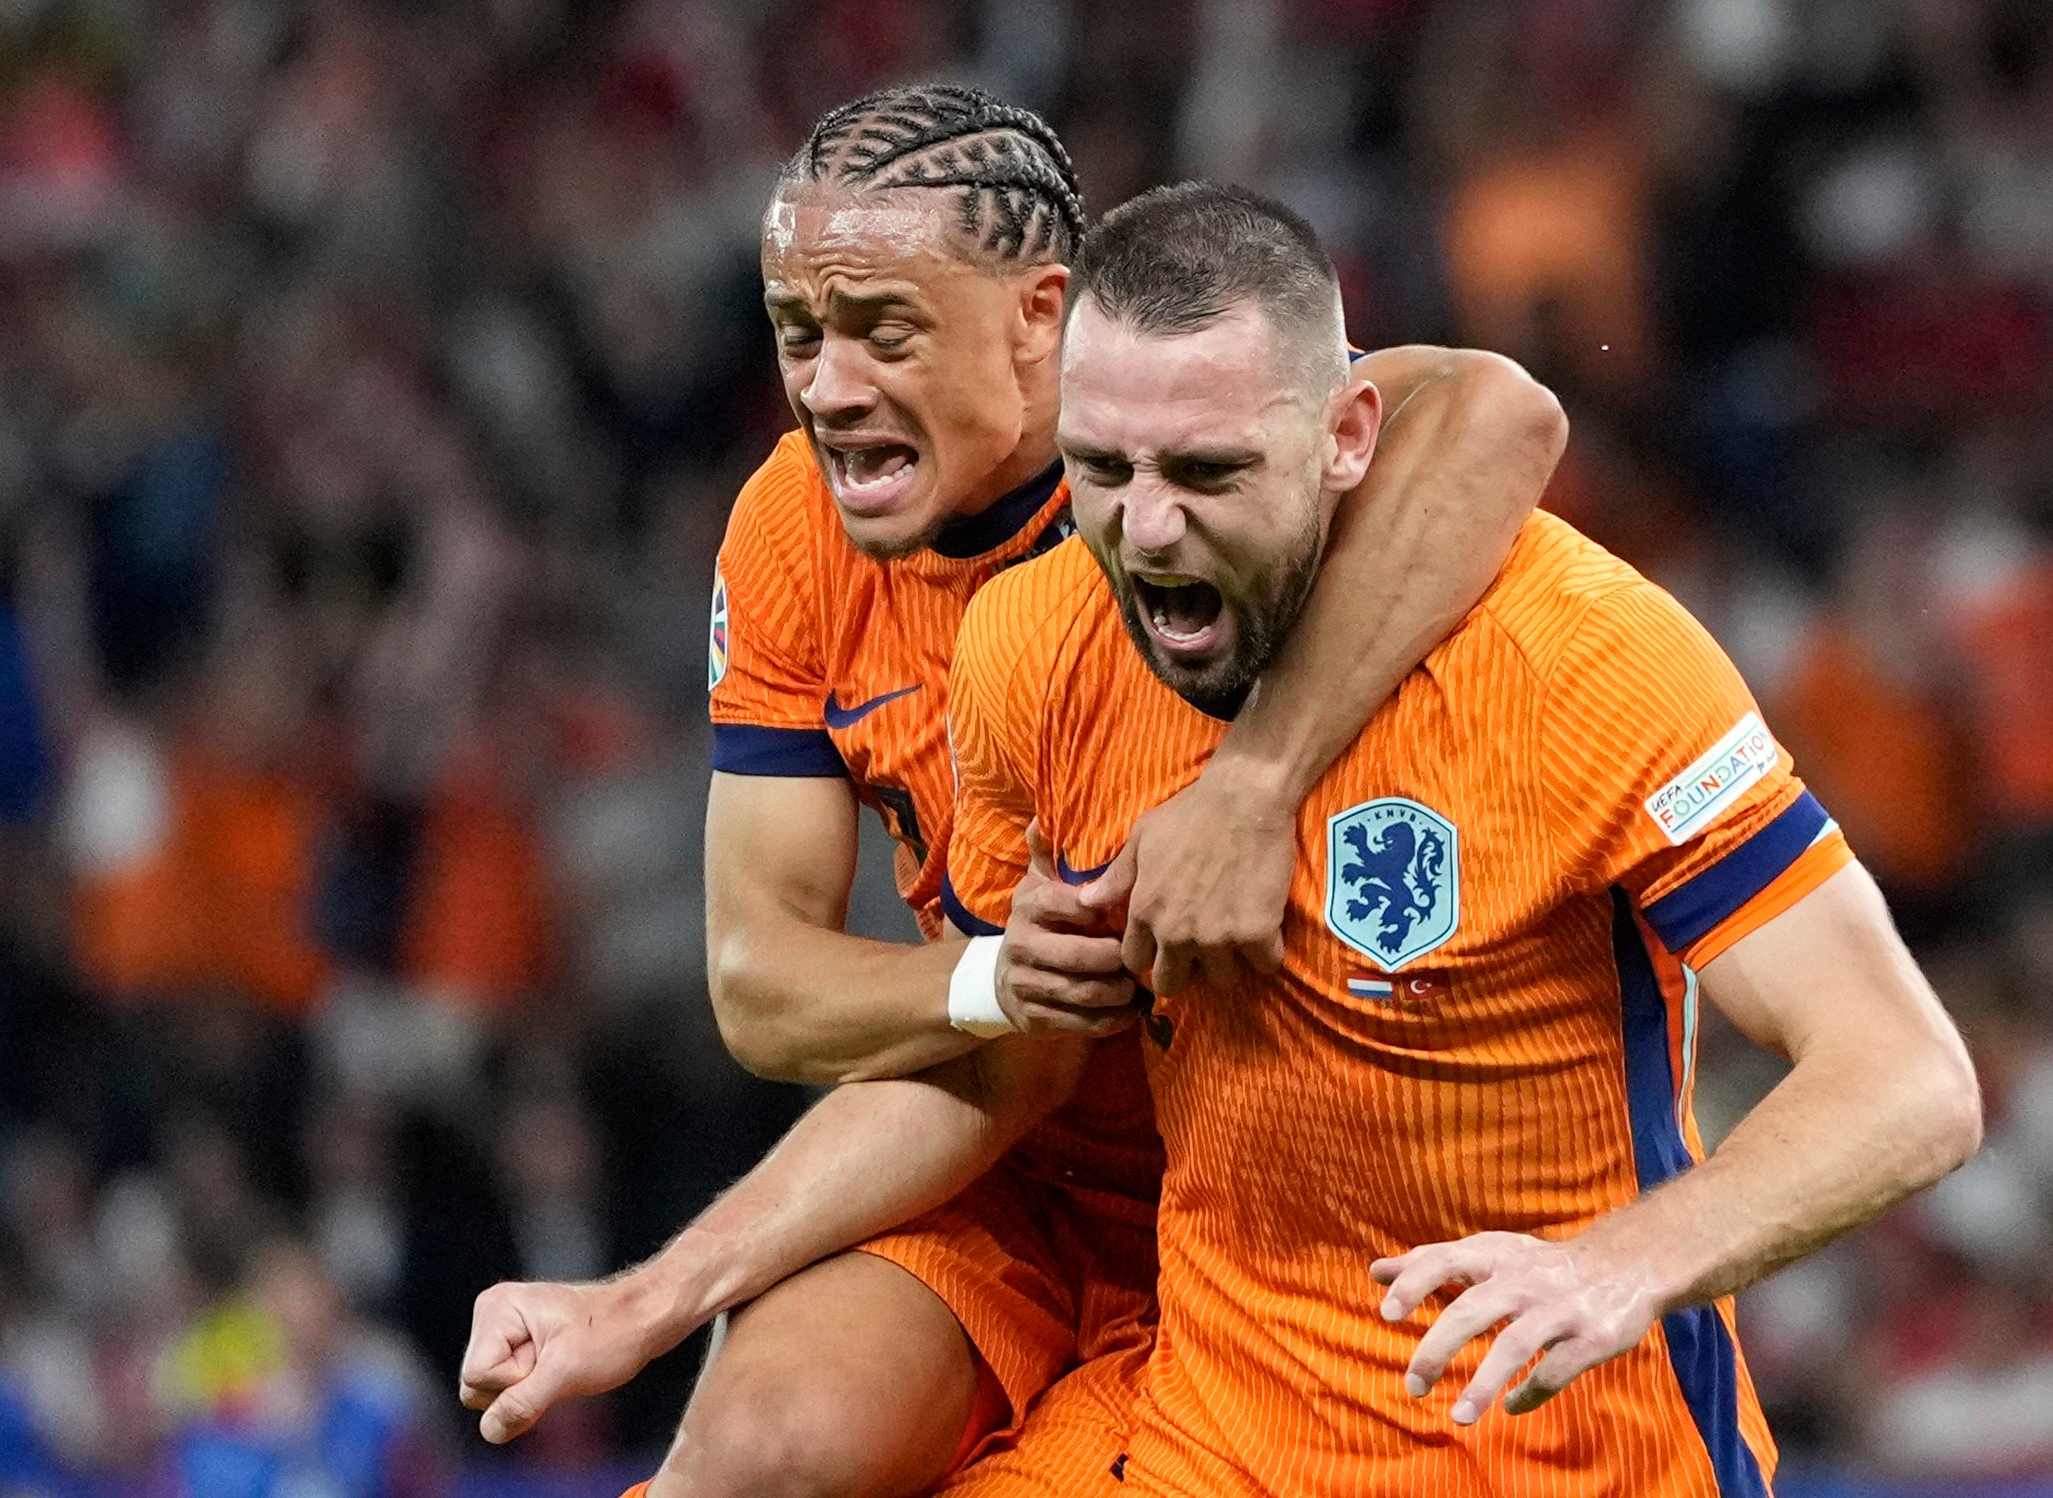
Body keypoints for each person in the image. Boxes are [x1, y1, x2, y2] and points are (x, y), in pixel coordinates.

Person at [463, 87, 1566, 1497]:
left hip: (1299, 1188)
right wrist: (992, 980)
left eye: (884, 329)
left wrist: (1259, 780)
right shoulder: (791, 526)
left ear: (1042, 316)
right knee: (749, 1457)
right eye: (799, 331)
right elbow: (760, 981)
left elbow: (1501, 413)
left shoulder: (1191, 438)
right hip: (1007, 1155)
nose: (827, 384)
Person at [929, 183, 1980, 1493]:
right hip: (1208, 1443)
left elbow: (1907, 1077)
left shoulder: (1580, 657)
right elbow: (1007, 1082)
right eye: (1103, 468)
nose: (1145, 528)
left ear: (1348, 433)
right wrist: (1005, 984)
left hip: (1566, 1457)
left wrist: (1618, 1262)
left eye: (1210, 471)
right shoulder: (1031, 645)